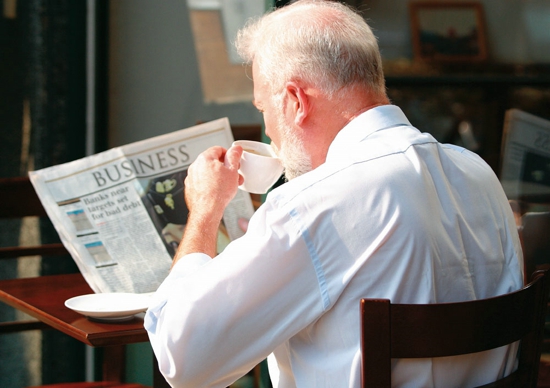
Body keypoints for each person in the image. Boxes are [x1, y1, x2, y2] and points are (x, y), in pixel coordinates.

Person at [145, 1, 523, 387]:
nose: (269, 130)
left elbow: (183, 361)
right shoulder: (479, 174)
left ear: (295, 101)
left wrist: (206, 210)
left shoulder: (312, 205)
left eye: (263, 107)